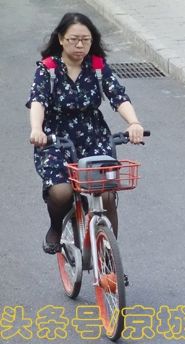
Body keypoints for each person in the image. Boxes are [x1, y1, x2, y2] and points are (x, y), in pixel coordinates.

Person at [27, 12, 145, 254]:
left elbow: (118, 96)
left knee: (107, 193)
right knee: (61, 192)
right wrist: (37, 130)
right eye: (73, 39)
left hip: (94, 137)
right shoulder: (48, 69)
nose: (80, 45)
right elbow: (38, 101)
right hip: (56, 140)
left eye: (86, 40)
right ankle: (56, 227)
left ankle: (110, 258)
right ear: (60, 39)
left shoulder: (98, 67)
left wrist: (134, 123)